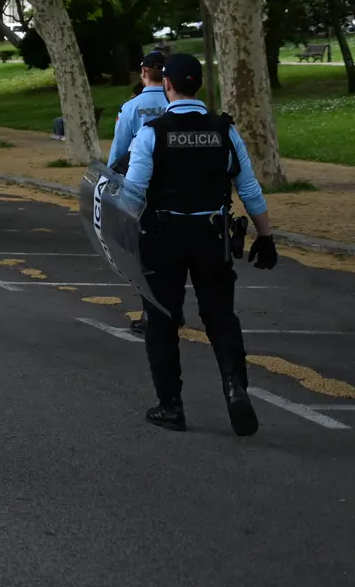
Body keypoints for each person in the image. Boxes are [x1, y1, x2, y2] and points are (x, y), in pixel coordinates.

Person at [121, 52, 277, 436]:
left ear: (168, 85)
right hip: (213, 236)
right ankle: (234, 386)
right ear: (199, 85)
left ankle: (171, 406)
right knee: (221, 316)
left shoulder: (152, 133)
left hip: (163, 238)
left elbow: (132, 193)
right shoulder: (225, 131)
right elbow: (250, 189)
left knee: (162, 321)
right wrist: (266, 236)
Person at [109, 51, 170, 334]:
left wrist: (110, 179)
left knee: (146, 255)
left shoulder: (133, 107)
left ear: (143, 72)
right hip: (181, 187)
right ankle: (174, 309)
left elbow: (120, 149)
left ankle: (153, 313)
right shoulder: (178, 101)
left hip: (143, 188)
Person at [107, 51, 170, 171]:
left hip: (139, 169)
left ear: (144, 71)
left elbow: (120, 146)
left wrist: (110, 172)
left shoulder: (130, 107)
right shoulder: (174, 102)